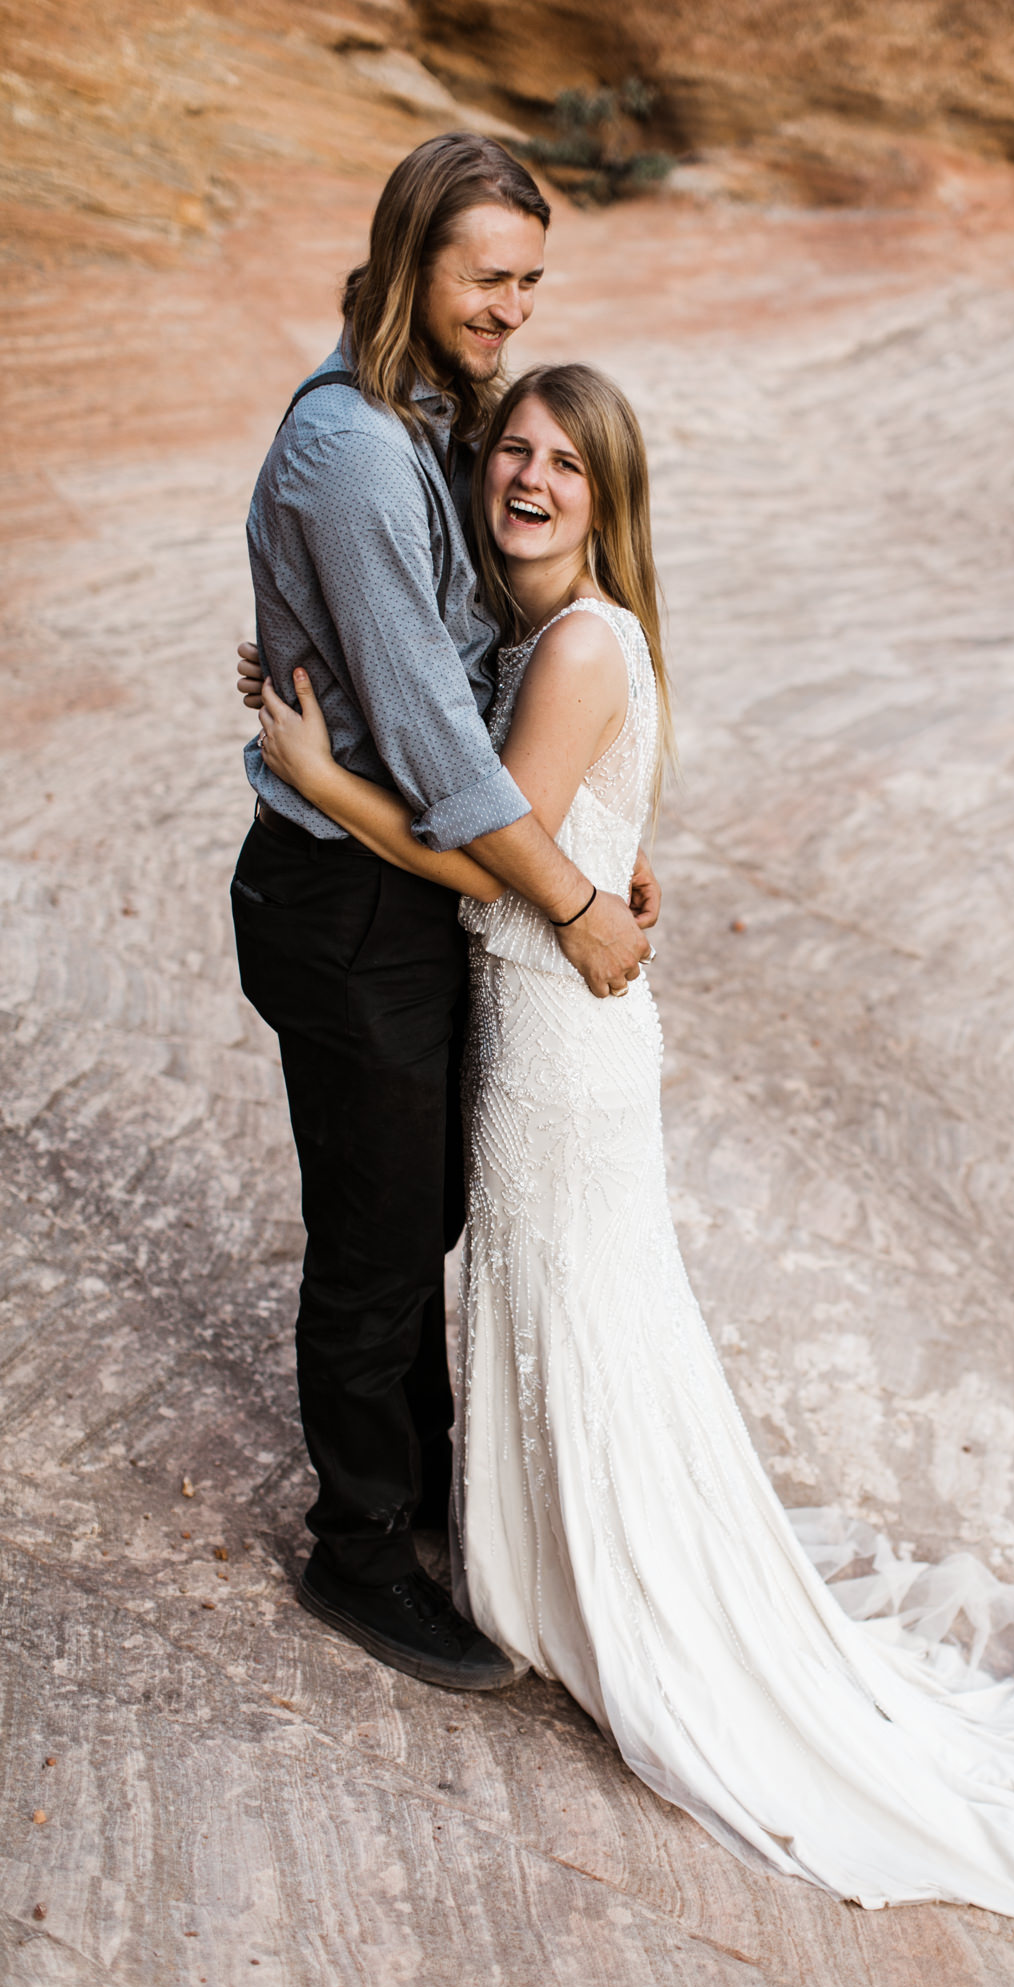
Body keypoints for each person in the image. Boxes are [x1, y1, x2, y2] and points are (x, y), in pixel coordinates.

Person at [245, 359, 1014, 1938]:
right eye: (511, 452)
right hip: (561, 1016)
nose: (525, 477)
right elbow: (550, 821)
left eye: (562, 461)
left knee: (578, 1304)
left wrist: (312, 775)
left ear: (609, 497)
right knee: (573, 1301)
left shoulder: (577, 645)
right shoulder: (544, 636)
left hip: (557, 1035)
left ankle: (605, 1581)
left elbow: (479, 857)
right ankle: (548, 1543)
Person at [231, 133, 659, 1695]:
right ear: (411, 254)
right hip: (345, 897)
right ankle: (359, 1554)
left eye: (529, 282)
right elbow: (421, 731)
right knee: (376, 1235)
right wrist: (578, 906)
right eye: (487, 277)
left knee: (420, 1206)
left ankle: (417, 1489)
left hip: (404, 876)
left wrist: (598, 836)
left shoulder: (425, 412)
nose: (509, 309)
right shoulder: (350, 450)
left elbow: (476, 644)